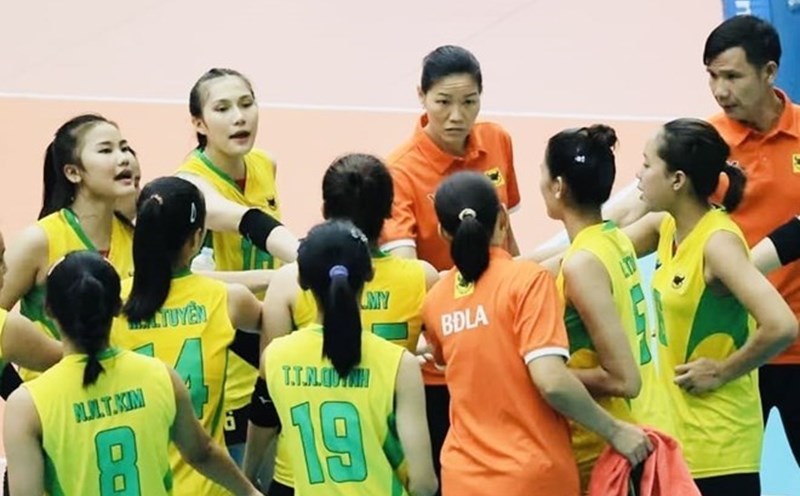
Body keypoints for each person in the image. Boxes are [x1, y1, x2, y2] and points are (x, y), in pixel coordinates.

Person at [602, 16, 800, 464]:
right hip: (726, 348)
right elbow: (632, 208)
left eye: (732, 76)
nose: (720, 90)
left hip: (792, 344)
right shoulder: (706, 143)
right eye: (711, 76)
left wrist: (739, 268)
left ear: (769, 73)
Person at [422, 171, 652, 496]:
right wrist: (615, 431)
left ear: (444, 232)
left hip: (463, 479)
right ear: (503, 219)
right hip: (533, 476)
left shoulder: (435, 301)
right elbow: (552, 381)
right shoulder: (529, 282)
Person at [243, 153, 437, 493]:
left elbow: (268, 395)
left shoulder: (289, 282)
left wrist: (248, 476)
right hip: (382, 466)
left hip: (299, 473)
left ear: (325, 210)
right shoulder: (421, 278)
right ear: (390, 211)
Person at [622, 118, 797, 495]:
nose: (638, 173)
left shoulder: (717, 244)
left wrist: (721, 371)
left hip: (718, 452)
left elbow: (782, 325)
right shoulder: (665, 226)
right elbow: (599, 253)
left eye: (647, 164)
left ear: (677, 180)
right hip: (674, 442)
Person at [3, 250, 263, 496]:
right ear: (118, 307)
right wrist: (250, 491)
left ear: (49, 310)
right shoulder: (160, 377)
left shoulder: (27, 406)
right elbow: (201, 453)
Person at [379, 46, 523, 484]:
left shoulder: (497, 140)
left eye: (469, 102)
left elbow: (505, 233)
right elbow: (408, 275)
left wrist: (517, 294)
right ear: (421, 97)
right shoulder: (400, 172)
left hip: (498, 339)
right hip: (438, 359)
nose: (457, 116)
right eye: (443, 102)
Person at [176, 67, 300, 462]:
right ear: (199, 122)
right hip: (228, 359)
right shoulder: (189, 184)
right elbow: (197, 278)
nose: (239, 117)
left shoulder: (265, 164)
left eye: (247, 104)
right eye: (223, 108)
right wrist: (291, 269)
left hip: (271, 338)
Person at [111, 176, 263, 495]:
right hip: (207, 487)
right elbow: (277, 326)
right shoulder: (227, 299)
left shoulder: (112, 303)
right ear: (196, 240)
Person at [539, 124, 645, 491]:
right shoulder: (611, 239)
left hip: (592, 446)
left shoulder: (582, 265)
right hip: (608, 437)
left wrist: (540, 376)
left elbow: (623, 379)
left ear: (558, 186)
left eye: (543, 172)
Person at [0, 114, 135, 382]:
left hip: (119, 403)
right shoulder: (38, 241)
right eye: (106, 150)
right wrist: (18, 396)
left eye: (124, 147)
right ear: (73, 172)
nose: (123, 158)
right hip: (55, 410)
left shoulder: (135, 238)